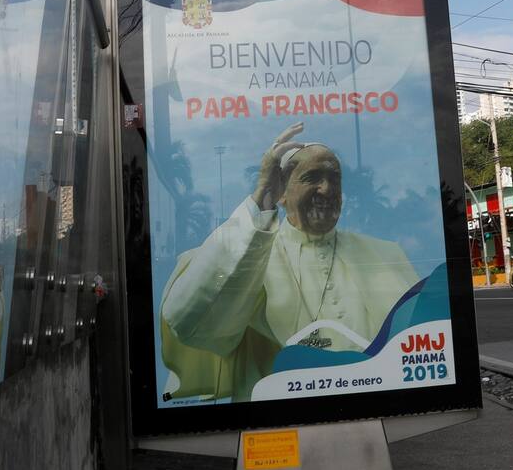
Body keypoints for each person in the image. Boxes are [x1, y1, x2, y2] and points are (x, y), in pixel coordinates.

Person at [159, 122, 420, 403]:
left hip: (367, 402)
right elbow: (190, 320)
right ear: (281, 192)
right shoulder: (247, 253)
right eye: (312, 177)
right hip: (278, 412)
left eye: (335, 178)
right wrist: (261, 195)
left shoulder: (383, 254)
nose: (327, 189)